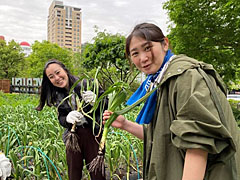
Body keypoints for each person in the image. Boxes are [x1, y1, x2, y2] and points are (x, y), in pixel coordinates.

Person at [103, 23, 240, 180]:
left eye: (147, 48)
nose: (143, 58)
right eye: (135, 53)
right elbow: (163, 137)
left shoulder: (186, 77)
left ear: (165, 44)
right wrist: (125, 124)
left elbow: (198, 144)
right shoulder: (161, 82)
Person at [36, 59, 106, 180]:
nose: (57, 78)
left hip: (93, 133)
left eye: (58, 72)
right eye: (51, 77)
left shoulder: (86, 84)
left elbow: (106, 104)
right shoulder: (57, 94)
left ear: (65, 70)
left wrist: (96, 101)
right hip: (72, 136)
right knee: (73, 171)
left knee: (97, 172)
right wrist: (68, 119)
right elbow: (61, 117)